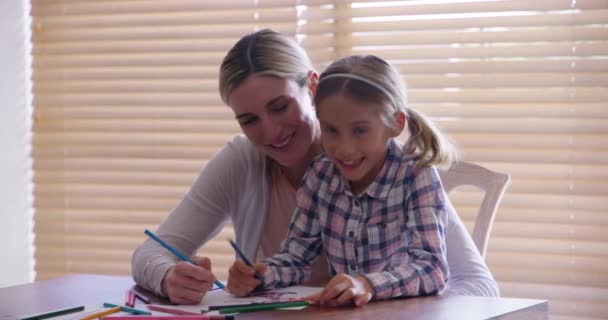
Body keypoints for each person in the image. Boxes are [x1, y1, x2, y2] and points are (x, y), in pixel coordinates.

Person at [131, 29, 499, 305]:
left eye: (279, 107)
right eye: (249, 119)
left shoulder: (398, 168)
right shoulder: (274, 168)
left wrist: (377, 292)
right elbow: (151, 253)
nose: (271, 132)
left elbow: (476, 285)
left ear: (312, 86)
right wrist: (171, 278)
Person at [227, 54, 452, 307]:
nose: (344, 149)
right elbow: (296, 258)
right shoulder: (319, 176)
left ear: (395, 124)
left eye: (360, 131)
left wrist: (367, 284)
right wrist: (261, 275)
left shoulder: (416, 176)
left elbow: (433, 269)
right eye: (331, 130)